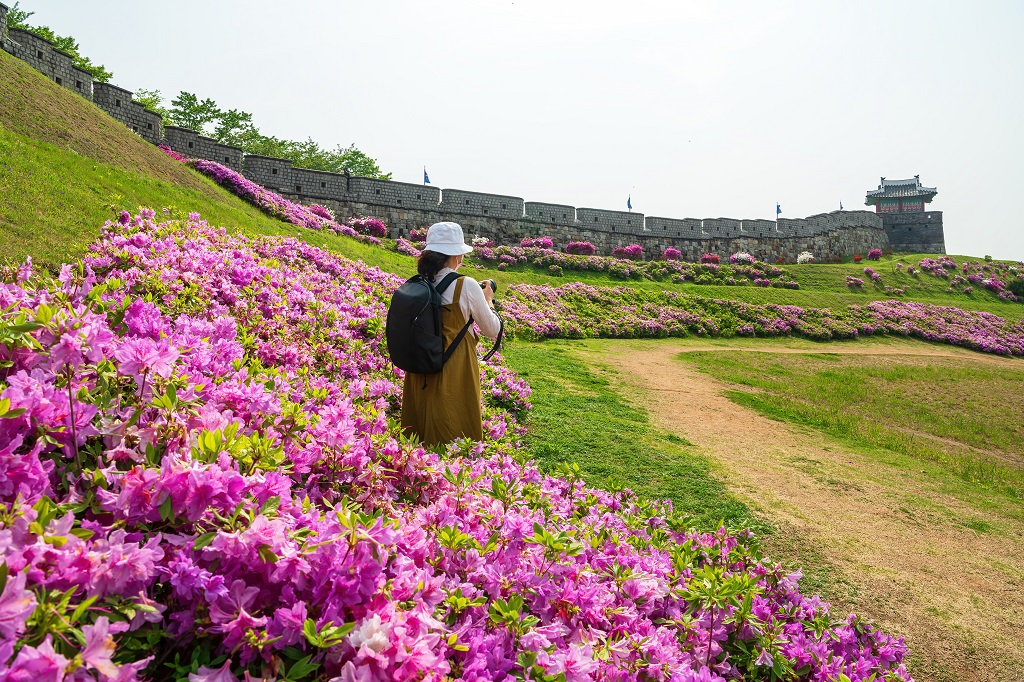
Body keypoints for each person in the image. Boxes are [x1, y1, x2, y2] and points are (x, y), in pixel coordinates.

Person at [401, 222, 502, 447]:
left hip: (421, 367)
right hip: (454, 366)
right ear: (456, 255)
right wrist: (488, 299)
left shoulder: (421, 282)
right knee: (452, 423)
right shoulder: (465, 285)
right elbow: (491, 329)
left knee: (420, 433)